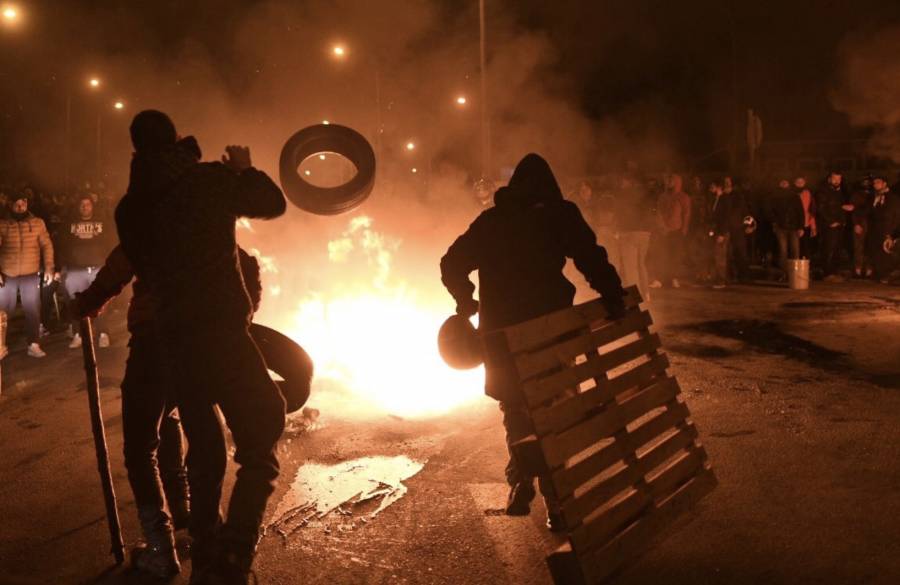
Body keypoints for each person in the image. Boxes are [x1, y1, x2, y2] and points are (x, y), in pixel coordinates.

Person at [115, 110, 286, 584]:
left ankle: (208, 559)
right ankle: (232, 554)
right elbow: (272, 203)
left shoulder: (130, 207)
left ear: (136, 150)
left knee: (205, 448)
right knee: (265, 425)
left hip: (176, 339)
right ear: (174, 140)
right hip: (222, 334)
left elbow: (144, 263)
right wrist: (243, 169)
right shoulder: (207, 180)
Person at [440, 153, 625, 532]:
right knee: (553, 409)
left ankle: (521, 480)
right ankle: (557, 501)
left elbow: (451, 262)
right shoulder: (560, 214)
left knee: (516, 409)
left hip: (500, 336)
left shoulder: (492, 221)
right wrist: (613, 295)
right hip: (549, 332)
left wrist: (465, 300)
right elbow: (591, 257)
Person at [0, 192, 56, 357]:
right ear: (10, 204)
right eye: (17, 203)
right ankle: (1, 344)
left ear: (27, 204)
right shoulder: (2, 224)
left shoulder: (37, 223)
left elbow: (47, 245)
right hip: (7, 274)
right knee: (3, 311)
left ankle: (34, 344)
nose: (20, 206)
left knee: (32, 310)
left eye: (23, 202)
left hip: (30, 273)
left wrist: (49, 267)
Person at [60, 195, 115, 348]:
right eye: (82, 204)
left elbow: (111, 243)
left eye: (88, 204)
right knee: (77, 302)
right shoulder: (69, 224)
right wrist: (62, 266)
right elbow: (63, 245)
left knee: (101, 302)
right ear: (78, 207)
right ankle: (79, 334)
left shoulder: (103, 222)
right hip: (76, 269)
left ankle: (103, 333)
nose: (85, 207)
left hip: (98, 268)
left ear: (92, 206)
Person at [614, 175, 655, 299]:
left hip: (629, 233)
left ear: (629, 182)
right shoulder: (646, 194)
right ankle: (646, 293)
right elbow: (651, 213)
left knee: (631, 267)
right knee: (641, 264)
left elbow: (621, 213)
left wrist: (618, 231)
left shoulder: (624, 195)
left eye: (622, 180)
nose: (620, 183)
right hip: (645, 234)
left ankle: (634, 297)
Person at [650, 173, 691, 288]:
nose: (669, 183)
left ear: (677, 182)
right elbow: (658, 212)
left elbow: (686, 214)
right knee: (661, 255)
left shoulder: (683, 197)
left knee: (675, 256)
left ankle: (673, 278)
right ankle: (660, 279)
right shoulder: (663, 197)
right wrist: (661, 227)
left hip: (677, 231)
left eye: (671, 181)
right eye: (668, 181)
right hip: (663, 231)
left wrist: (683, 230)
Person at [815, 171, 850, 281]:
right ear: (829, 179)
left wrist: (843, 218)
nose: (837, 181)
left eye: (839, 179)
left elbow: (839, 206)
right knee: (828, 248)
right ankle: (827, 273)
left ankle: (834, 271)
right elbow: (821, 209)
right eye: (835, 179)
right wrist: (830, 221)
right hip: (829, 225)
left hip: (840, 224)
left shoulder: (841, 191)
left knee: (837, 249)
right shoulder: (823, 191)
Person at [867, 176, 900, 282]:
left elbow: (896, 216)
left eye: (878, 182)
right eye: (874, 183)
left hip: (887, 229)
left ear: (884, 183)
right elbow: (870, 213)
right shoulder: (873, 198)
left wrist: (892, 233)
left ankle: (886, 274)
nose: (875, 184)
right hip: (875, 229)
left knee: (885, 252)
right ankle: (879, 274)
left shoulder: (893, 198)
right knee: (876, 251)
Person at [770, 179, 805, 277]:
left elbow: (800, 212)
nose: (784, 184)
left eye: (786, 182)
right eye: (782, 182)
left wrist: (801, 227)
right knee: (783, 250)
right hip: (781, 228)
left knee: (795, 250)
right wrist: (775, 223)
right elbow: (770, 211)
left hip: (794, 227)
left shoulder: (794, 196)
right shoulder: (775, 196)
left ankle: (796, 274)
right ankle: (784, 273)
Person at [850, 176, 874, 278]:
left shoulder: (874, 195)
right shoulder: (856, 195)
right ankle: (858, 269)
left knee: (870, 247)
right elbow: (853, 211)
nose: (866, 184)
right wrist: (856, 223)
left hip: (872, 224)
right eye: (865, 182)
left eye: (868, 182)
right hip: (861, 222)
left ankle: (869, 270)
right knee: (859, 246)